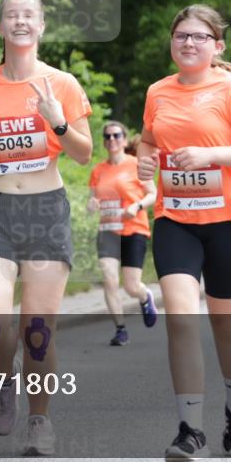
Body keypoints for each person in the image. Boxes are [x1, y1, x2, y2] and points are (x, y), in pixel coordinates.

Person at [0, 0, 93, 456]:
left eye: (28, 15)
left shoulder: (63, 84)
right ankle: (4, 377)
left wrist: (56, 122)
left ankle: (40, 420)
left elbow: (82, 153)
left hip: (44, 210)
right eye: (11, 15)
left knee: (38, 329)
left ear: (41, 26)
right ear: (0, 26)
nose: (19, 21)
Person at [136, 4, 231, 461]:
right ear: (172, 42)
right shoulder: (158, 91)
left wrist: (212, 156)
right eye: (181, 36)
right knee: (181, 316)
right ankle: (190, 429)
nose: (188, 43)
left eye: (198, 37)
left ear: (218, 46)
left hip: (229, 221)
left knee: (228, 324)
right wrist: (144, 158)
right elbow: (150, 139)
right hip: (175, 218)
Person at [87, 121, 158, 346]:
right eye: (107, 137)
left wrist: (136, 207)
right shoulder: (98, 170)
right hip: (108, 230)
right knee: (109, 278)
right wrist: (92, 205)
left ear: (124, 140)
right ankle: (120, 329)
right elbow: (93, 199)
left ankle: (145, 296)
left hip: (134, 228)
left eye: (116, 136)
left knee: (130, 286)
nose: (112, 140)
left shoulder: (136, 164)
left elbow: (153, 194)